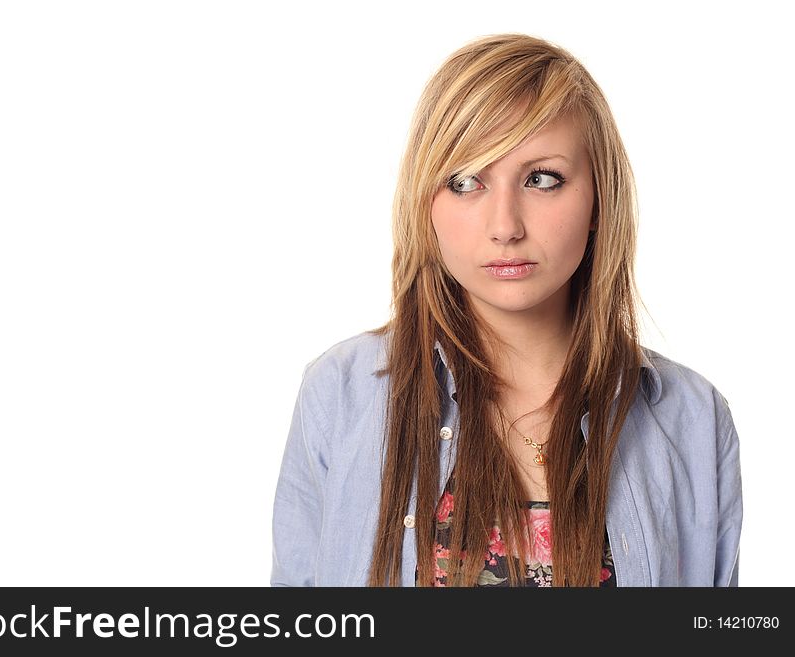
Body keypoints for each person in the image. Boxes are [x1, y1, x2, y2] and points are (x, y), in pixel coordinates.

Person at [270, 33, 743, 587]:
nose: (505, 227)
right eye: (466, 182)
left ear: (599, 199)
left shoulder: (691, 418)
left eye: (542, 179)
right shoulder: (343, 394)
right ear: (426, 203)